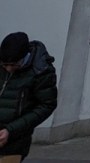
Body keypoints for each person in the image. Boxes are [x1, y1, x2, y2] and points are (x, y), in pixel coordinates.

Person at [0, 32, 58, 161]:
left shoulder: (41, 72)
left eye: (14, 65)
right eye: (5, 65)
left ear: (25, 57)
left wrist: (11, 130)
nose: (9, 69)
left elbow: (47, 105)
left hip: (14, 142)